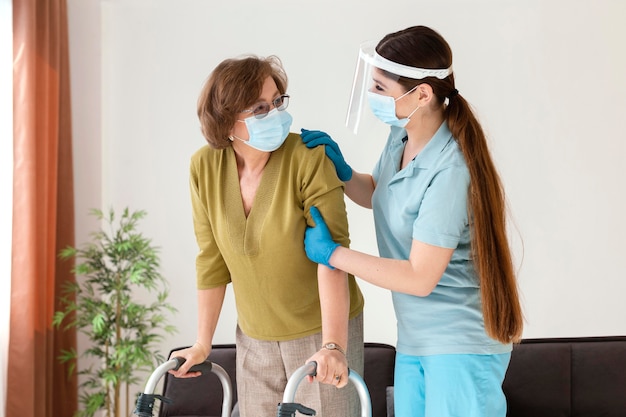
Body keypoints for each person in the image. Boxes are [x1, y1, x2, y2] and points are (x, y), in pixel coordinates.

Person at [301, 25, 523, 417]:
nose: (373, 97)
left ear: (422, 94)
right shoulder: (401, 136)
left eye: (381, 88)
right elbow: (384, 196)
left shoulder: (451, 169)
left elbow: (420, 277)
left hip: (459, 346)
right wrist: (344, 173)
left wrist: (334, 255)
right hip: (416, 340)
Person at [169, 54, 365, 417]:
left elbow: (333, 258)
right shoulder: (204, 167)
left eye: (277, 101)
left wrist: (333, 345)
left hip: (319, 332)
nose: (274, 113)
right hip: (254, 338)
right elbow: (211, 259)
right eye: (260, 108)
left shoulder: (309, 158)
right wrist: (202, 343)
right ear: (227, 121)